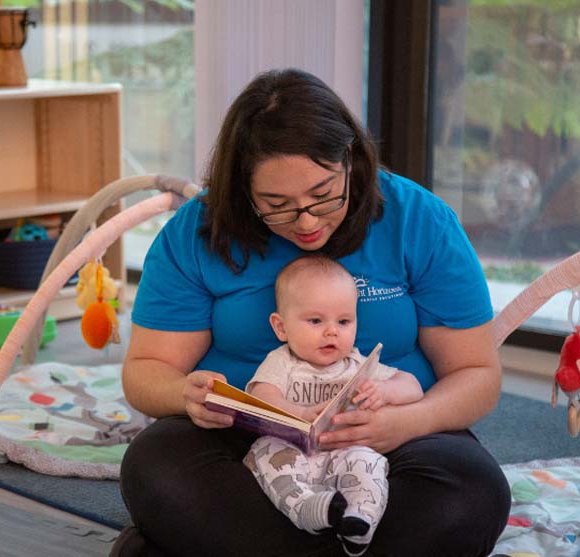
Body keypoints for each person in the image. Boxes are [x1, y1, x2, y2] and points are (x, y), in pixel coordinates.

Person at [117, 67, 511, 557]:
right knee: (153, 466)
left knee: (472, 492)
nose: (306, 222)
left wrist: (405, 423)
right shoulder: (196, 232)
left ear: (351, 159)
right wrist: (183, 393)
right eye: (276, 204)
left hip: (391, 440)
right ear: (242, 190)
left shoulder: (419, 220)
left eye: (323, 195)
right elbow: (145, 373)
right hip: (246, 446)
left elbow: (476, 375)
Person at [244, 254, 424, 557]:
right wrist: (299, 413)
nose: (332, 331)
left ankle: (360, 518)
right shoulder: (283, 361)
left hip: (344, 450)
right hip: (293, 449)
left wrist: (384, 391)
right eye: (316, 321)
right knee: (266, 453)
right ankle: (306, 509)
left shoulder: (356, 364)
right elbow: (262, 395)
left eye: (344, 321)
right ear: (281, 327)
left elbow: (413, 386)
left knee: (370, 462)